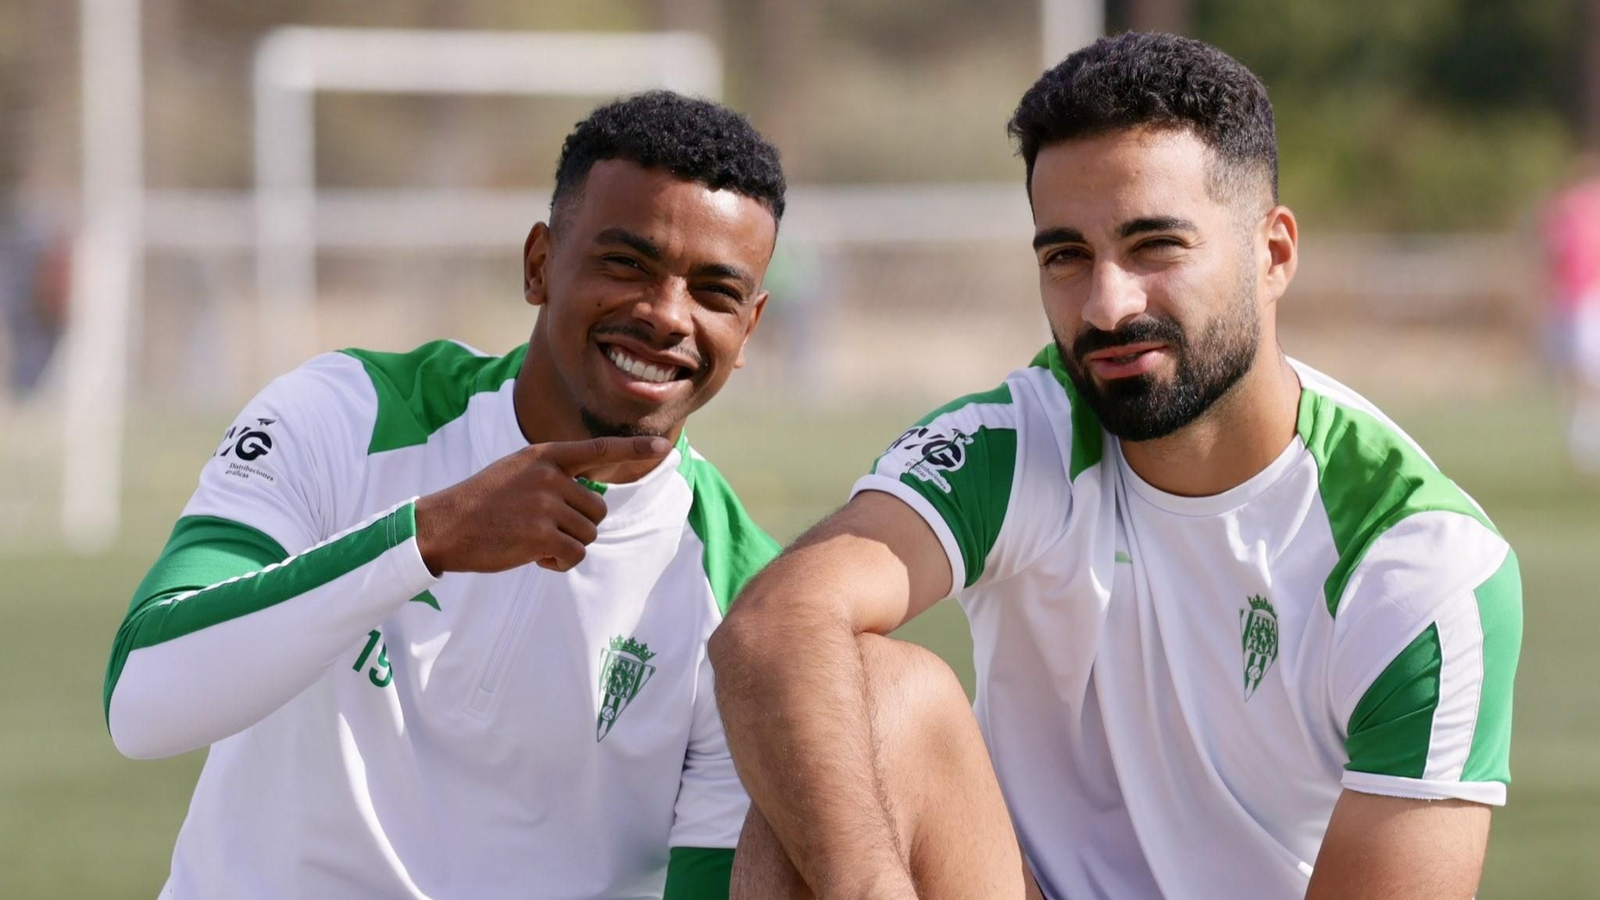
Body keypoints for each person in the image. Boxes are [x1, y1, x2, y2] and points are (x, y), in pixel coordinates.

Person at [711, 33, 1522, 900]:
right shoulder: (1022, 438)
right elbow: (774, 626)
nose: (1106, 303)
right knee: (866, 702)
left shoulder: (1419, 561)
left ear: (1273, 253)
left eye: (1155, 246)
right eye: (1066, 256)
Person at [103, 91, 785, 899]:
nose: (666, 315)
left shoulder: (750, 604)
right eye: (626, 264)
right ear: (539, 264)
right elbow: (144, 704)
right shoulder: (349, 412)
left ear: (749, 329)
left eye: (714, 291)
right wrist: (424, 540)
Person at [1541, 157, 1600, 475]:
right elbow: (1552, 257)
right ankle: (1582, 435)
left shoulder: (1585, 210)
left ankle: (1586, 437)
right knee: (1572, 372)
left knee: (1585, 372)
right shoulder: (1565, 213)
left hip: (1587, 301)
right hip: (1568, 300)